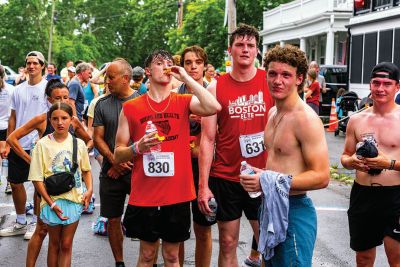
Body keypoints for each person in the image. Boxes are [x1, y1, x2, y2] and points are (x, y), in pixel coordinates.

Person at [113, 49, 221, 267]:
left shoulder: (183, 101)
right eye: (160, 63)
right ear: (148, 72)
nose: (166, 66)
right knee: (147, 254)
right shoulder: (131, 108)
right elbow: (117, 154)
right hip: (145, 194)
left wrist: (188, 78)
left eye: (170, 63)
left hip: (178, 194)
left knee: (172, 256)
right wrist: (137, 147)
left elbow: (214, 106)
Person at [240, 44, 330, 266]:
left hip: (295, 210)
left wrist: (268, 180)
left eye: (286, 75)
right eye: (272, 73)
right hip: (270, 206)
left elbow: (322, 176)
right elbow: (282, 165)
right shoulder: (273, 113)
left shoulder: (305, 120)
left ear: (299, 79)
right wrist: (262, 175)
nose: (277, 81)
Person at [197, 24, 274, 267]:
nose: (245, 49)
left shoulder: (271, 82)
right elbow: (207, 139)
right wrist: (203, 186)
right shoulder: (215, 87)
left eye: (250, 45)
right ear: (230, 50)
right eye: (239, 45)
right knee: (228, 243)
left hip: (263, 177)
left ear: (257, 51)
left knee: (268, 244)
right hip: (226, 177)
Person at [6, 78, 92, 267]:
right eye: (57, 98)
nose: (63, 101)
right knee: (41, 229)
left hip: (69, 188)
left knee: (64, 242)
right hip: (46, 187)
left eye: (66, 97)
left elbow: (89, 141)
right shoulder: (43, 119)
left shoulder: (73, 121)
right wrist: (33, 162)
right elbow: (12, 139)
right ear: (48, 100)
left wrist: (78, 161)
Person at [341, 62, 400, 267]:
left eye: (387, 83)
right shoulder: (356, 120)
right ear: (370, 85)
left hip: (396, 197)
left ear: (397, 87)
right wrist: (352, 162)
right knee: (363, 259)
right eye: (376, 83)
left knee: (397, 258)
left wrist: (389, 163)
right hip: (363, 195)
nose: (380, 88)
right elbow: (345, 157)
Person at [28, 102, 92, 267]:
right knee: (54, 244)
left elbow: (86, 170)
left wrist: (89, 190)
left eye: (64, 118)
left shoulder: (79, 144)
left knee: (66, 244)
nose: (60, 122)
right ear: (50, 120)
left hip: (74, 199)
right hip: (51, 201)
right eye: (55, 119)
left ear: (72, 120)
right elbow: (36, 178)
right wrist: (51, 203)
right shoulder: (42, 145)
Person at [93, 58, 138, 267]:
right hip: (110, 171)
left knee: (147, 218)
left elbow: (149, 137)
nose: (107, 82)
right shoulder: (102, 103)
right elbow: (97, 138)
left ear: (126, 79)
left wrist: (126, 163)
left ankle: (149, 261)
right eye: (106, 77)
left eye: (111, 77)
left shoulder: (142, 101)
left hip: (138, 171)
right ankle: (119, 262)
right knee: (112, 219)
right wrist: (115, 162)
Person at [0, 51, 48, 240]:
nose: (31, 66)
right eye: (28, 63)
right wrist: (8, 142)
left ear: (42, 66)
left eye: (35, 63)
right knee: (16, 183)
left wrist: (42, 138)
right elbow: (13, 117)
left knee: (38, 186)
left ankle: (36, 223)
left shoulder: (47, 88)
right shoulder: (18, 89)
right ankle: (21, 222)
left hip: (39, 146)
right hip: (18, 145)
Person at [175, 45, 214, 267]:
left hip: (204, 167)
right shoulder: (174, 94)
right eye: (188, 63)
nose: (193, 67)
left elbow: (222, 132)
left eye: (197, 62)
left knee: (203, 227)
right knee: (177, 230)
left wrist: (206, 121)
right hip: (180, 167)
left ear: (204, 65)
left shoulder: (213, 93)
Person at [0, 65, 15, 193]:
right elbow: (14, 112)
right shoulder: (12, 89)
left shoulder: (11, 90)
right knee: (6, 155)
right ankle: (9, 183)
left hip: (5, 126)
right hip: (7, 126)